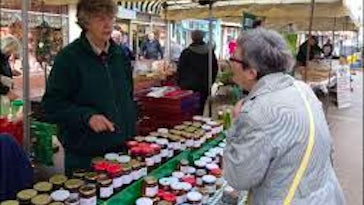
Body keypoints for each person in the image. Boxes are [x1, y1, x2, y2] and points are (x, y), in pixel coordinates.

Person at [225, 28, 345, 205]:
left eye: (233, 58)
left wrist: (235, 123)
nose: (229, 63)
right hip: (324, 195)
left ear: (251, 72)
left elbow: (238, 178)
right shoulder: (302, 88)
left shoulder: (257, 112)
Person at [42, 0, 136, 175]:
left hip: (122, 149)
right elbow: (50, 106)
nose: (108, 24)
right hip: (85, 155)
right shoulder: (68, 58)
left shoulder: (120, 55)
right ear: (86, 22)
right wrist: (87, 116)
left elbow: (128, 95)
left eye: (110, 17)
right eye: (100, 18)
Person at [177, 30, 218, 115]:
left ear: (192, 38)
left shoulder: (186, 52)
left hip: (188, 86)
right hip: (204, 86)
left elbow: (180, 69)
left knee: (188, 109)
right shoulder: (209, 53)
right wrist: (210, 82)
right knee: (202, 109)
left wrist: (180, 83)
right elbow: (215, 69)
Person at [1, 35, 20, 103]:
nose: (11, 54)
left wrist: (11, 72)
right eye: (11, 51)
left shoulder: (4, 56)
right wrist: (7, 91)